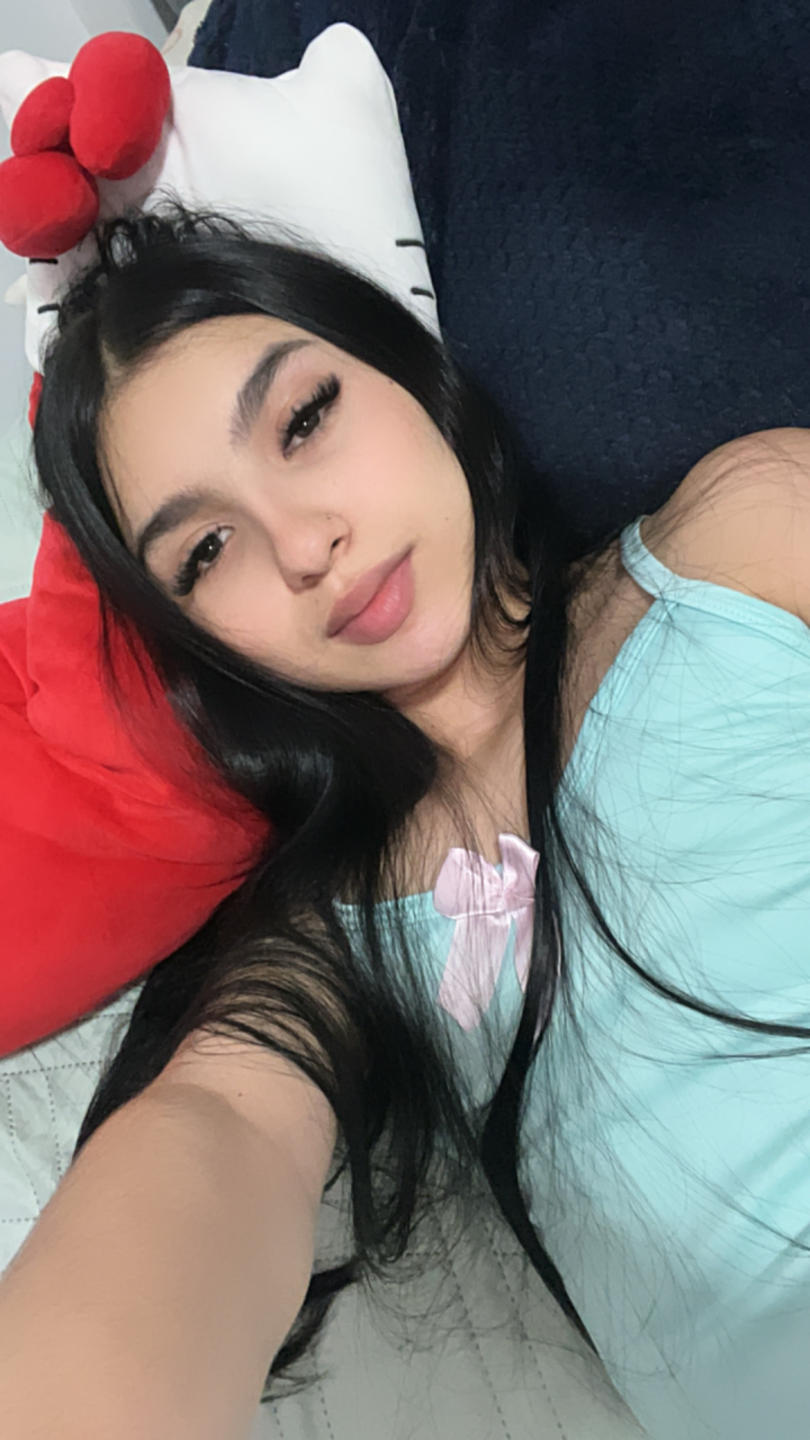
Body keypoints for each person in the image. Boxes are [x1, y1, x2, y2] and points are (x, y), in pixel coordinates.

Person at [7, 201, 810, 1440]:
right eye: (207, 550)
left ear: (402, 364)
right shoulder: (329, 937)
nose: (304, 545)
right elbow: (211, 1141)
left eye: (304, 419)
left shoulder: (747, 537)